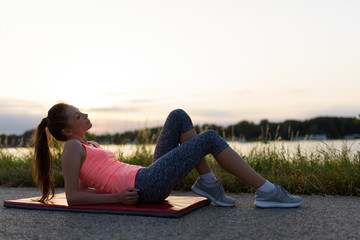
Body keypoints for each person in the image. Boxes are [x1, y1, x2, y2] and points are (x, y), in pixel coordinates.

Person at [33, 103, 303, 208]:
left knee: (178, 116)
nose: (86, 115)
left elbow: (86, 190)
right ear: (67, 131)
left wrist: (107, 193)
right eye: (78, 116)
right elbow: (74, 197)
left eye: (82, 110)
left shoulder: (88, 144)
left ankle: (208, 184)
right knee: (208, 138)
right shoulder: (71, 148)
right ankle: (268, 191)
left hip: (146, 176)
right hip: (143, 186)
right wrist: (116, 197)